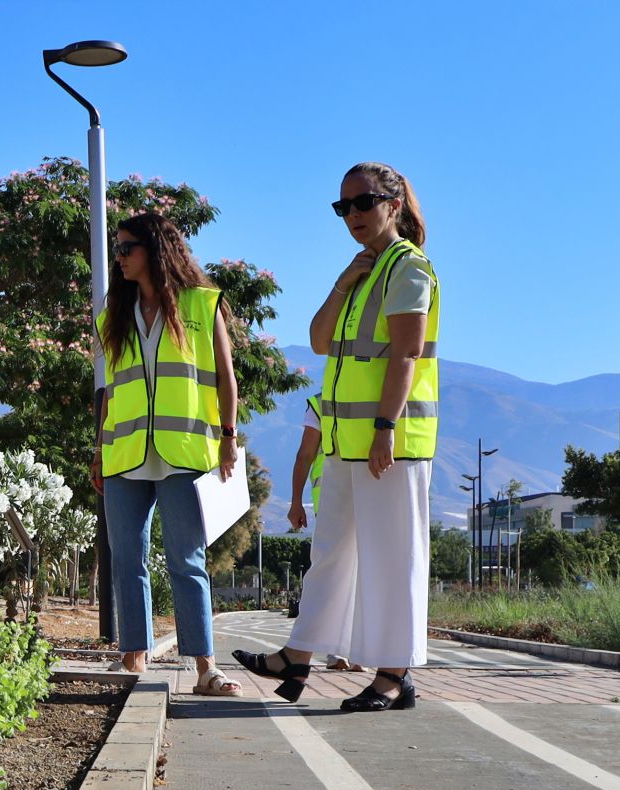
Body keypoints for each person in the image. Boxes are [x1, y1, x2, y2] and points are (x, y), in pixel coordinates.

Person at [234, 162, 438, 711]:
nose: (352, 215)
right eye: (342, 207)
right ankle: (298, 657)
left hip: (387, 442)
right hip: (344, 444)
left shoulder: (407, 267)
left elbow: (406, 354)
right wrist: (342, 281)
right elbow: (320, 341)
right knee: (331, 554)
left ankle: (394, 676)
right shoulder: (365, 272)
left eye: (363, 203)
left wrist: (385, 428)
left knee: (393, 559)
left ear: (393, 204)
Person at [92, 212, 242, 696]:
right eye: (116, 249)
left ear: (155, 249)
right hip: (124, 454)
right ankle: (132, 657)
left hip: (183, 453)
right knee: (126, 558)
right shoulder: (112, 315)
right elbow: (112, 391)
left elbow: (224, 376)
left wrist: (227, 436)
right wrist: (98, 451)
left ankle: (205, 668)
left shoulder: (203, 303)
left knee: (186, 560)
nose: (119, 258)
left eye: (126, 248)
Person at [287, 395, 360, 673]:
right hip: (339, 501)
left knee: (340, 574)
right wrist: (295, 501)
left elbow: (304, 454)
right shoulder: (321, 404)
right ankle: (341, 651)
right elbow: (304, 455)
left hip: (339, 501)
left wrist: (296, 501)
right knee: (345, 574)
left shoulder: (320, 403)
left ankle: (345, 650)